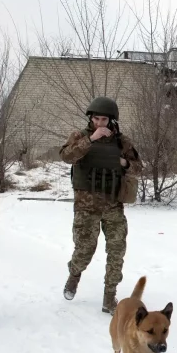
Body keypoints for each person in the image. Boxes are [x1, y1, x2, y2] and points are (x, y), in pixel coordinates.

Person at [60, 96, 142, 315]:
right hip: (86, 207)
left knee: (116, 251)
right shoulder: (80, 136)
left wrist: (125, 164)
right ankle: (74, 274)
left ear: (111, 120)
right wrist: (91, 140)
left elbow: (138, 167)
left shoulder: (121, 142)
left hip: (113, 206)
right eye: (96, 119)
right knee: (85, 250)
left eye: (103, 120)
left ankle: (109, 296)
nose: (99, 123)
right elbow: (67, 156)